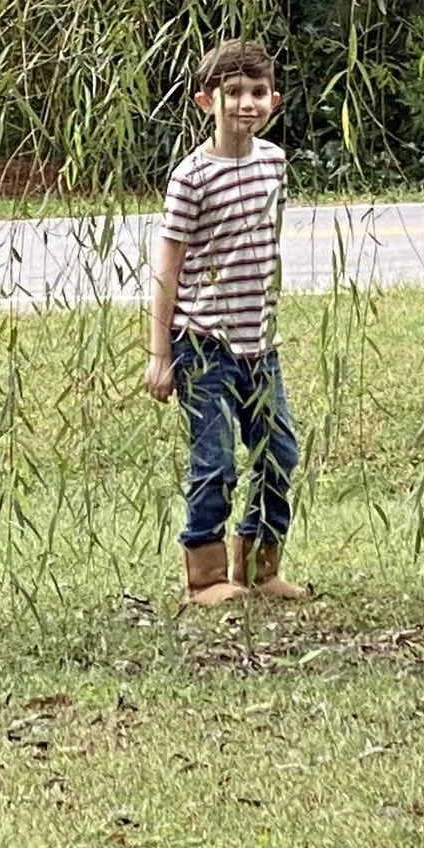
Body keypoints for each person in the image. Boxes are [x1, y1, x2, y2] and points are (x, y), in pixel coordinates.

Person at [145, 37, 310, 607]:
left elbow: (264, 244)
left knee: (278, 451)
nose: (246, 103)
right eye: (233, 92)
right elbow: (169, 262)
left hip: (259, 344)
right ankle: (207, 578)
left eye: (258, 92)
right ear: (204, 101)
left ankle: (261, 567)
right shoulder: (191, 177)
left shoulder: (274, 163)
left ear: (275, 100)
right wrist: (160, 352)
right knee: (213, 460)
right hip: (203, 343)